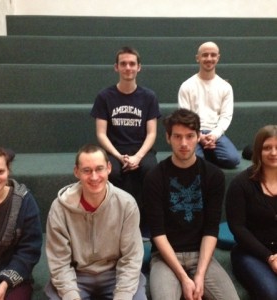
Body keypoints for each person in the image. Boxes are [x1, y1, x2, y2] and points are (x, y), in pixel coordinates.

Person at [143, 108, 239, 300]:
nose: (184, 143)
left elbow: (211, 229)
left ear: (198, 137)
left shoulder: (213, 175)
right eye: (177, 137)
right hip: (165, 258)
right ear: (168, 138)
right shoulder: (154, 177)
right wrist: (184, 277)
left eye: (189, 136)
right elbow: (158, 233)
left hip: (201, 255)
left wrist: (200, 275)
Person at [45, 144, 147, 300]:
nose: (94, 177)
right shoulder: (59, 208)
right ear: (76, 172)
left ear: (109, 168)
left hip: (115, 274)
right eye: (87, 170)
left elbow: (131, 258)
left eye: (99, 169)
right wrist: (72, 296)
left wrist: (123, 295)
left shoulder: (126, 204)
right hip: (77, 276)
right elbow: (59, 263)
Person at [90, 46, 161, 212]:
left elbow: (152, 133)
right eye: (123, 64)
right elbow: (101, 134)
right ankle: (115, 219)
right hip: (114, 150)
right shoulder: (104, 96)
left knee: (151, 171)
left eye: (132, 64)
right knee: (112, 172)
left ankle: (145, 222)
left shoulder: (149, 96)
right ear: (116, 67)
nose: (128, 68)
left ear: (139, 67)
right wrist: (118, 156)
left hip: (141, 149)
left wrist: (138, 157)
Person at [0, 144, 42, 300]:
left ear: (8, 171)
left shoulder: (24, 200)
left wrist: (5, 283)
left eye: (0, 171)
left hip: (14, 280)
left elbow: (29, 249)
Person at [226, 125, 277, 299]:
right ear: (257, 151)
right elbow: (238, 228)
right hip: (251, 253)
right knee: (272, 294)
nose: (273, 153)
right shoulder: (241, 184)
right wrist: (269, 257)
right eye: (267, 148)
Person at [178, 41, 240, 169]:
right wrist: (199, 136)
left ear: (218, 58)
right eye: (205, 55)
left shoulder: (225, 87)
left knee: (233, 159)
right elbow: (185, 117)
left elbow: (226, 116)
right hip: (192, 132)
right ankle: (206, 155)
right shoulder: (187, 85)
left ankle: (206, 154)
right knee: (191, 160)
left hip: (215, 133)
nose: (209, 58)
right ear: (198, 58)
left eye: (213, 55)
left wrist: (214, 135)